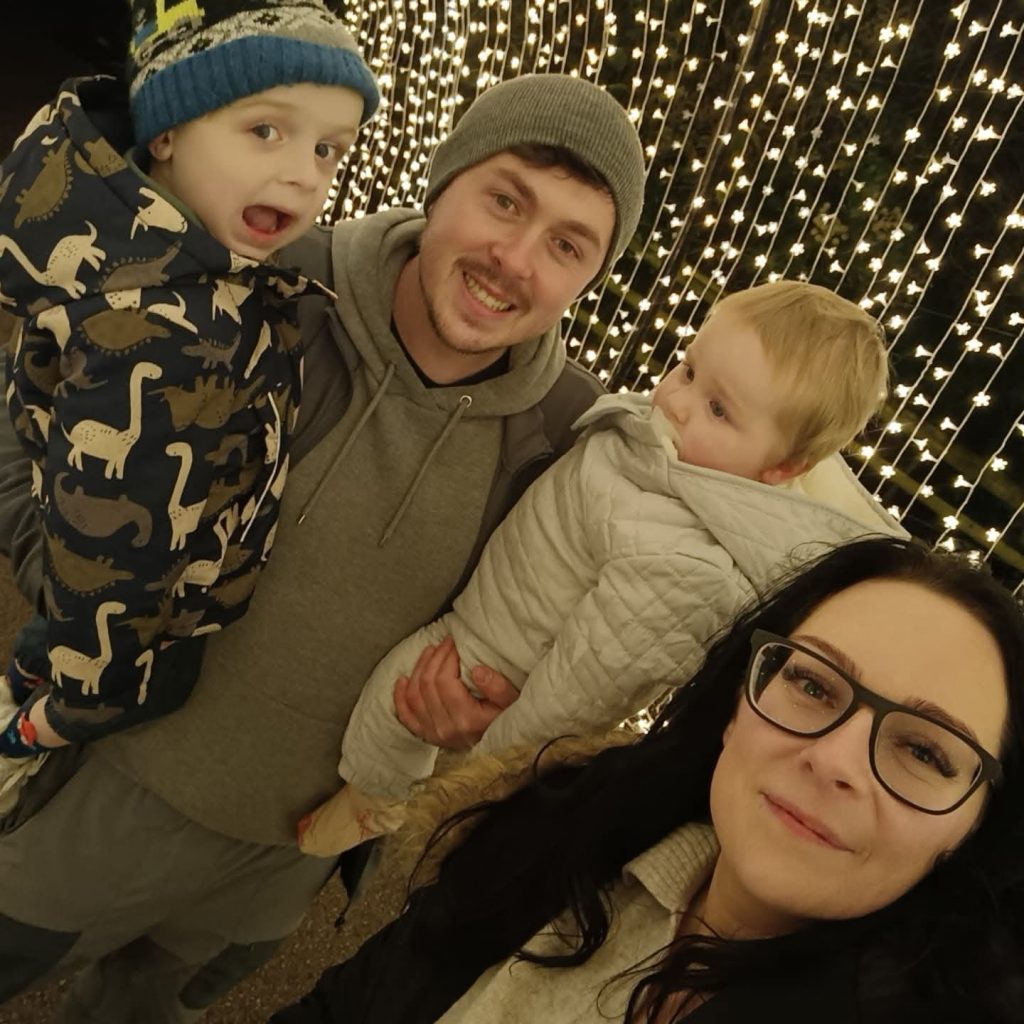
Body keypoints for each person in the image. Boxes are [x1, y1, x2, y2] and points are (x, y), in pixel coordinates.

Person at [0, 70, 645, 1020]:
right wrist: (65, 575)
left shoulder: (566, 442)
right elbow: (30, 415)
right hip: (98, 795)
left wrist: (473, 723)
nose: (514, 259)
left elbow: (532, 640)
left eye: (567, 244)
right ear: (443, 182)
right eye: (504, 201)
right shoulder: (258, 279)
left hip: (279, 863)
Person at [272, 537, 1024, 1023]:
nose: (833, 761)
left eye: (926, 753)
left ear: (975, 829)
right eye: (813, 684)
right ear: (737, 706)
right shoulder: (566, 833)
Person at [297, 280, 905, 856]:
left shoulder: (689, 567)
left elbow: (586, 688)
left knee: (394, 701)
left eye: (719, 409)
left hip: (492, 660)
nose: (676, 401)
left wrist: (489, 773)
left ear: (782, 468)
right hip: (488, 619)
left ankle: (372, 804)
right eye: (689, 370)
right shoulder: (671, 456)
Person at [0, 0, 379, 783]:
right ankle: (31, 726)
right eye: (265, 130)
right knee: (107, 699)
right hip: (137, 622)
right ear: (167, 131)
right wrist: (86, 699)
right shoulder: (154, 330)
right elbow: (104, 562)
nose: (305, 173)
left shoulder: (184, 262)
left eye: (328, 149)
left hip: (127, 573)